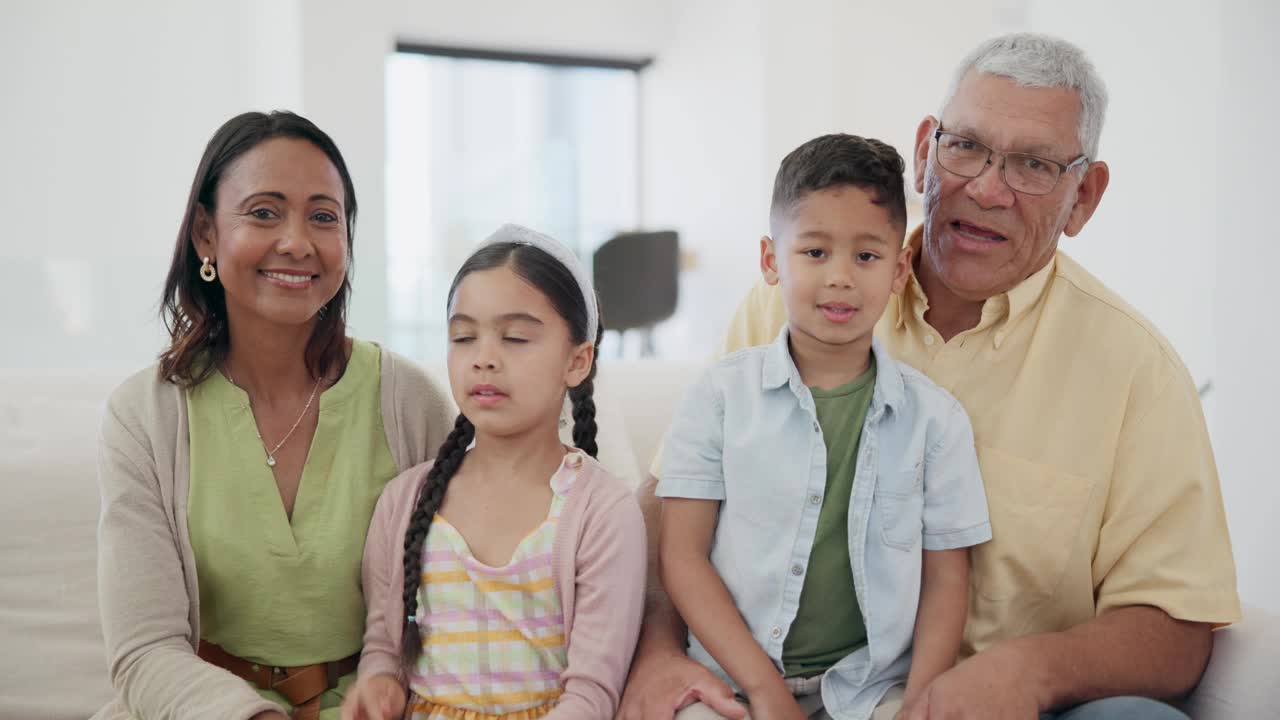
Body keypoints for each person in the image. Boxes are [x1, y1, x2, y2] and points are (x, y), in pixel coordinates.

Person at [620, 33, 1240, 720]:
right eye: (966, 147)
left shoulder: (1138, 372)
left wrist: (1029, 672)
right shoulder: (788, 308)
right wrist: (654, 652)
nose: (987, 188)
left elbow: (1178, 628)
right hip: (767, 683)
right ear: (924, 154)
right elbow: (668, 507)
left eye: (1032, 164)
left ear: (1084, 196)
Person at [93, 111, 455, 720]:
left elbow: (453, 607)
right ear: (206, 235)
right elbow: (143, 648)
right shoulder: (144, 417)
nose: (297, 241)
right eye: (264, 212)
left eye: (323, 216)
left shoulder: (411, 402)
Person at [657, 134, 990, 720]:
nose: (840, 278)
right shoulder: (718, 397)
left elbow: (945, 580)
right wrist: (763, 690)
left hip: (868, 689)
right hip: (731, 680)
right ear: (770, 260)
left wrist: (921, 701)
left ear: (898, 268)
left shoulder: (936, 421)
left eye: (865, 257)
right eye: (814, 253)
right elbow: (682, 556)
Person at [341, 225, 647, 720]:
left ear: (577, 361)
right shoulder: (404, 501)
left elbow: (592, 695)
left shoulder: (602, 512)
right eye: (464, 337)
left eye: (515, 337)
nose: (483, 358)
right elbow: (385, 648)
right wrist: (380, 685)